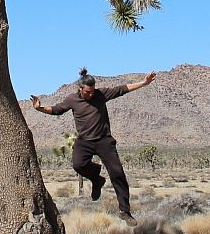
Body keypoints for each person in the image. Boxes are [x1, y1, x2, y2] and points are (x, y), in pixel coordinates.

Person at [31, 67, 157, 225]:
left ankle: (125, 211)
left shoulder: (100, 94)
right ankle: (97, 179)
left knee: (117, 173)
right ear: (80, 89)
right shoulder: (72, 99)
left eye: (92, 91)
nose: (91, 94)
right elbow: (56, 110)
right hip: (84, 141)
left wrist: (144, 83)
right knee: (78, 165)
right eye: (87, 92)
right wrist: (39, 108)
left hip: (104, 141)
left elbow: (123, 89)